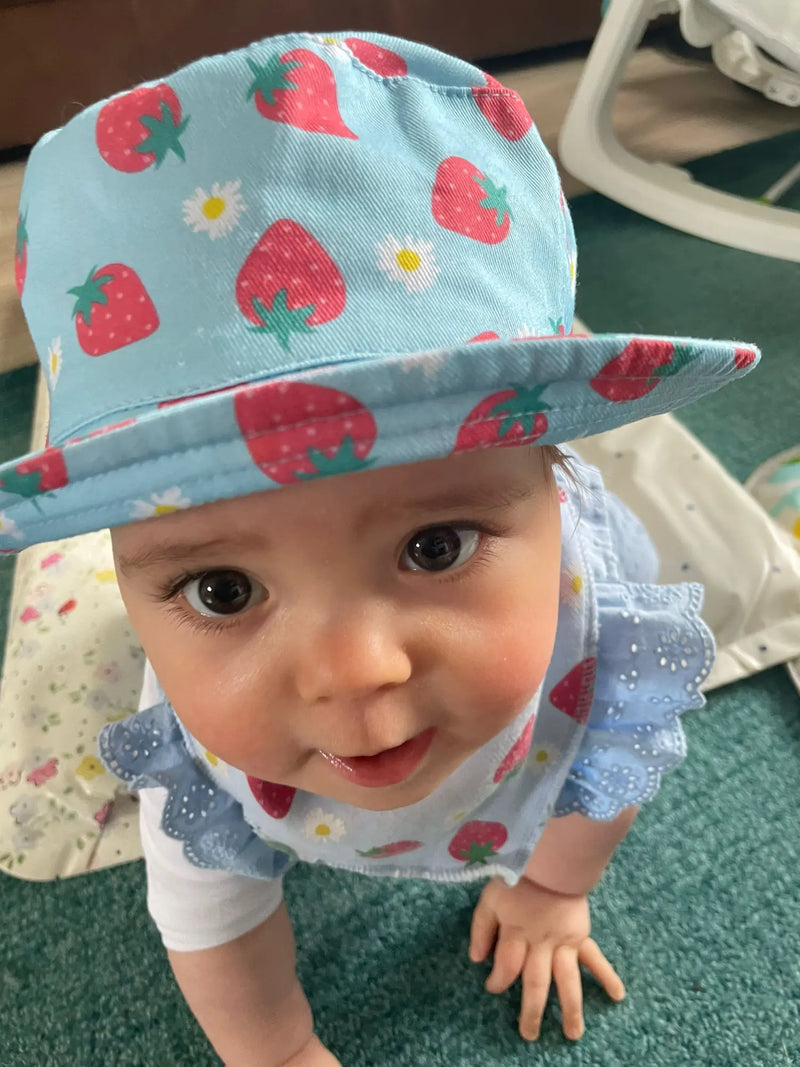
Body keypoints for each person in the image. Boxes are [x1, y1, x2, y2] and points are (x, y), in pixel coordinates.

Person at [0, 30, 759, 1067]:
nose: (354, 668)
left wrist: (549, 887)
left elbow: (609, 770)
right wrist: (275, 1048)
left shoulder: (601, 614)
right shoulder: (200, 759)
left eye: (435, 544)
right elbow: (207, 914)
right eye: (223, 587)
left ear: (547, 484)